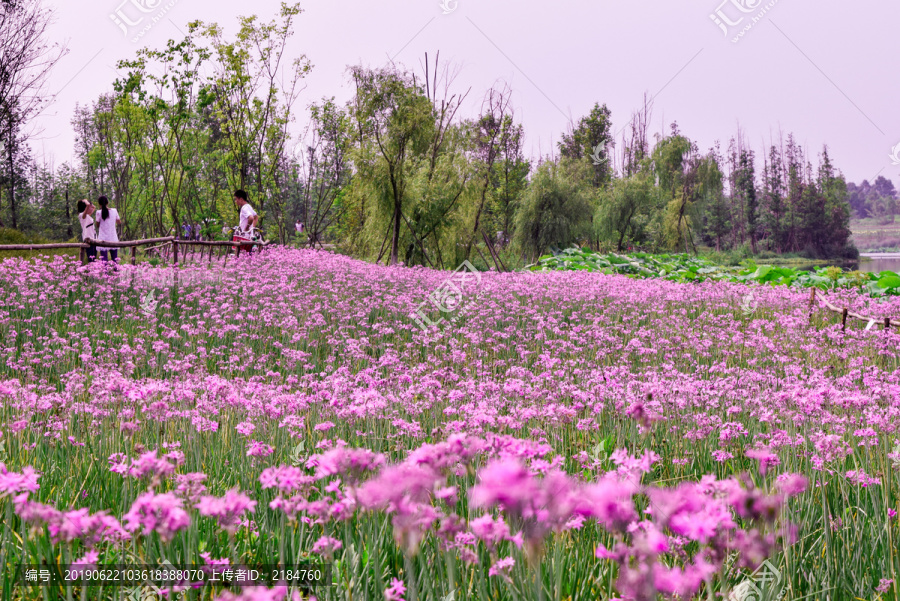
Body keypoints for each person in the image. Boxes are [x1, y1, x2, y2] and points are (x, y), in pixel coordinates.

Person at [96, 196, 122, 263]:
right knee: (115, 260)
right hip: (112, 238)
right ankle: (116, 273)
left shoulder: (98, 212)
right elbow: (119, 222)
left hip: (103, 239)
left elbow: (97, 225)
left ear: (99, 204)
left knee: (104, 261)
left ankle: (105, 273)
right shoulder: (114, 211)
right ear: (108, 202)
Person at [232, 190, 259, 256]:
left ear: (241, 199)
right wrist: (252, 228)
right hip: (250, 237)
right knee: (249, 258)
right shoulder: (249, 206)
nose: (236, 201)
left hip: (244, 237)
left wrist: (247, 228)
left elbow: (251, 218)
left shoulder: (244, 208)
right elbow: (256, 217)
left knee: (242, 257)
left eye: (236, 199)